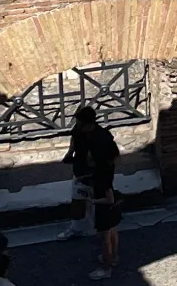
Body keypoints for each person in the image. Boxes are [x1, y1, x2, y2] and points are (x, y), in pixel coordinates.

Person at [67, 105, 121, 279]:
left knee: (105, 234)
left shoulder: (101, 172)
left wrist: (92, 202)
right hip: (103, 187)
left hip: (101, 193)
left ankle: (106, 267)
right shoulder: (102, 139)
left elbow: (108, 199)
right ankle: (112, 258)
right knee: (112, 229)